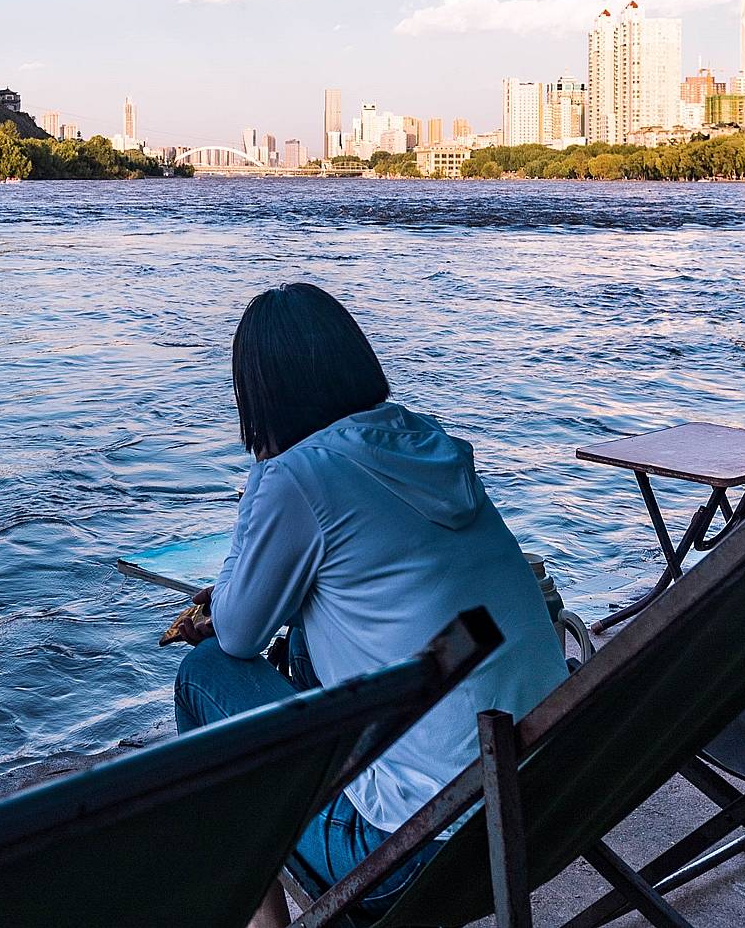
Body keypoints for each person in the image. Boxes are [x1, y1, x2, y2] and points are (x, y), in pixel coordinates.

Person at [172, 283, 568, 926]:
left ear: (261, 398)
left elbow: (237, 635)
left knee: (203, 676)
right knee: (307, 629)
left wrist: (265, 474)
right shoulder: (426, 443)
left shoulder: (295, 477)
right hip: (550, 791)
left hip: (421, 847)